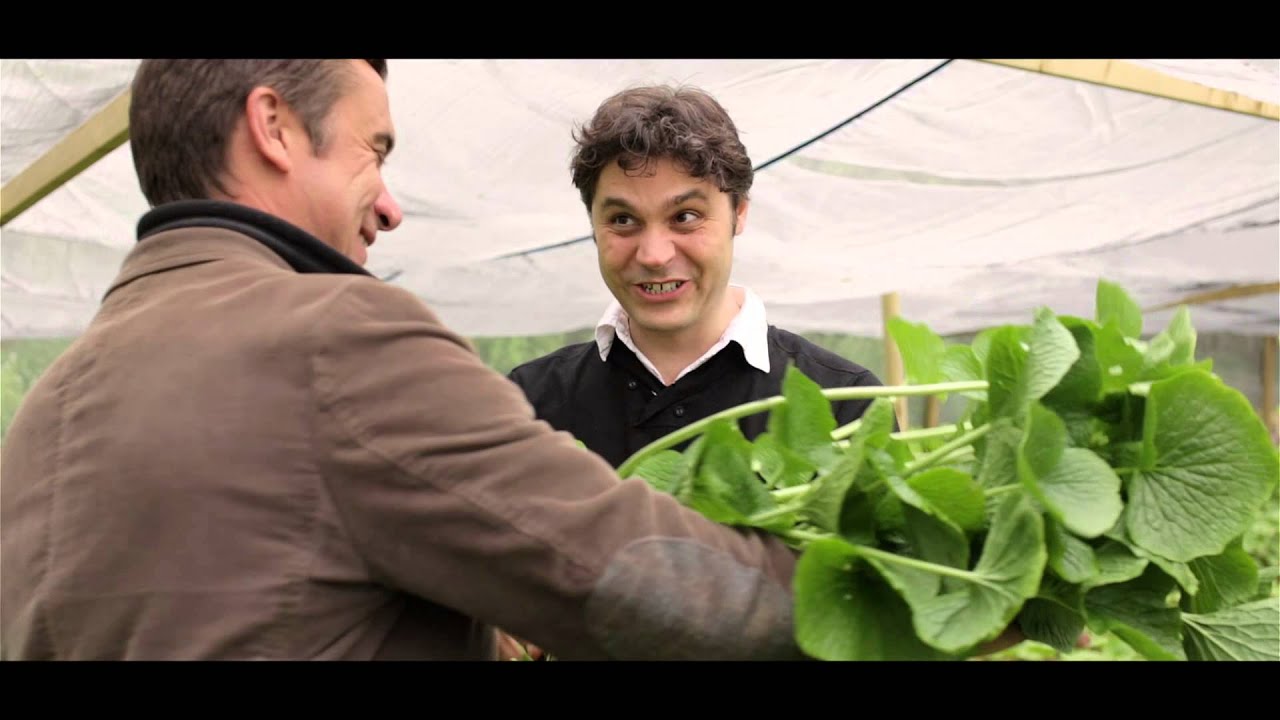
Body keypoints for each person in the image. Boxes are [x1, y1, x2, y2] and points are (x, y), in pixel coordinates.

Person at [0, 60, 807, 661]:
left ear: (736, 216)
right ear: (273, 126)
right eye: (373, 152)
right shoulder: (334, 337)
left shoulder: (52, 404)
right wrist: (860, 590)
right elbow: (635, 577)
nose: (388, 206)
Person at [508, 85, 886, 469]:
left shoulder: (844, 403)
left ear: (738, 213)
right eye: (623, 220)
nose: (654, 255)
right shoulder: (527, 406)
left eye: (685, 217)